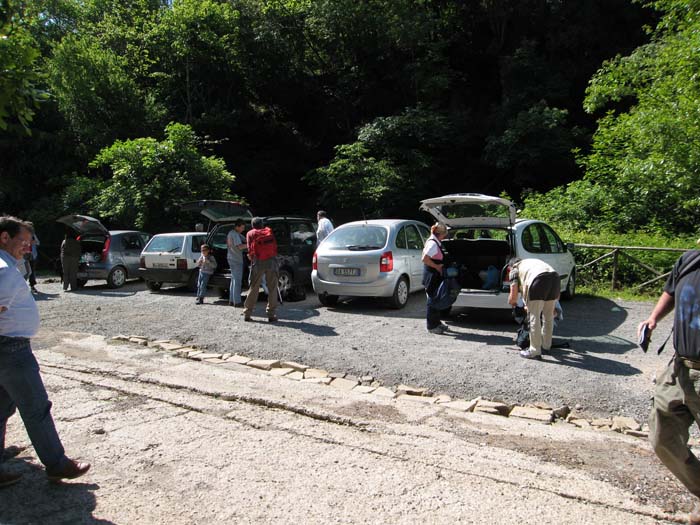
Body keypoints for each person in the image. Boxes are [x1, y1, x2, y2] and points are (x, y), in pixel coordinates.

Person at [0, 216, 90, 487]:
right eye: (24, 241)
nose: (28, 247)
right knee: (36, 408)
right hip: (12, 350)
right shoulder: (2, 270)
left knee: (2, 409)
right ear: (4, 237)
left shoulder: (7, 266)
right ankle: (56, 464)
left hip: (7, 348)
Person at [639, 248, 700, 525]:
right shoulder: (690, 259)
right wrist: (653, 318)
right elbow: (672, 290)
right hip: (679, 367)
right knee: (662, 436)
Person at [507, 258, 560, 360]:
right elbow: (557, 297)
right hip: (555, 278)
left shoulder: (514, 269)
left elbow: (513, 294)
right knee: (548, 316)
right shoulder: (531, 262)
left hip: (539, 281)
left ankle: (534, 351)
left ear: (510, 267)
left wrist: (512, 303)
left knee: (534, 316)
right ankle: (546, 346)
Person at [243, 218, 279, 322]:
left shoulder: (250, 233)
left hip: (258, 262)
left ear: (252, 225)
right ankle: (271, 315)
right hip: (271, 262)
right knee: (272, 288)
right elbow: (275, 247)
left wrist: (251, 257)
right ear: (262, 224)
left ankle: (247, 313)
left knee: (254, 287)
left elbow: (250, 250)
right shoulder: (268, 232)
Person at [421, 223, 449, 334]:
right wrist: (437, 266)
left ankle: (437, 322)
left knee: (437, 298)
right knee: (432, 300)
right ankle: (431, 326)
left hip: (435, 275)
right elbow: (425, 259)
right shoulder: (433, 244)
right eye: (444, 235)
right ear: (440, 234)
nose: (445, 237)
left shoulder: (435, 241)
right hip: (431, 276)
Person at [226, 220, 247, 307]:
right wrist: (251, 245)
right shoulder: (235, 234)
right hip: (236, 259)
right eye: (242, 227)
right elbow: (240, 246)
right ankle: (237, 302)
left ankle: (231, 300)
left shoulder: (231, 233)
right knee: (237, 281)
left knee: (233, 280)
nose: (243, 229)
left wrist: (248, 241)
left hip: (231, 258)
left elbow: (245, 239)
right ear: (237, 226)